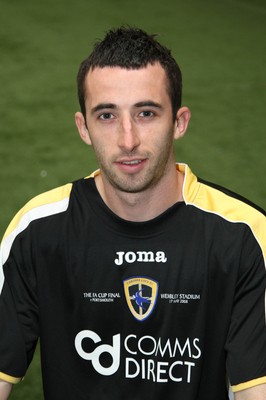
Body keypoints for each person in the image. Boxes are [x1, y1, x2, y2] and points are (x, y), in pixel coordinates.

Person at [0, 26, 265, 400]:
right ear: (84, 128)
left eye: (146, 112)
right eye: (107, 116)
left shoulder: (244, 237)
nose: (128, 140)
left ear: (179, 122)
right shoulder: (37, 231)